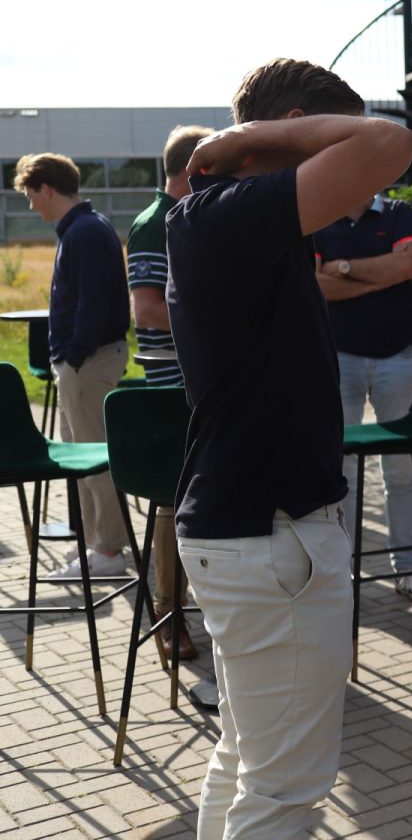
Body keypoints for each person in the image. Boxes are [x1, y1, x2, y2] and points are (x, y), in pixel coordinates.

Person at [167, 58, 412, 838]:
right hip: (269, 534)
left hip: (251, 532)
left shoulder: (228, 218)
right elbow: (388, 143)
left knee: (248, 763)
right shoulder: (229, 211)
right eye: (321, 134)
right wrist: (263, 134)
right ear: (297, 123)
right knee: (284, 794)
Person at [14, 152, 131, 579]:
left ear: (46, 188)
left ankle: (108, 552)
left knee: (93, 458)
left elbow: (93, 306)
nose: (31, 205)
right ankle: (99, 547)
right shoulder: (84, 227)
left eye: (30, 195)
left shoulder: (84, 231)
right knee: (83, 457)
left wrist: (74, 355)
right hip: (85, 361)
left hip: (89, 362)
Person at [313, 191, 412, 603]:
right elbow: (317, 286)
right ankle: (339, 573)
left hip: (395, 358)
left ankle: (409, 567)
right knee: (339, 470)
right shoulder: (320, 216)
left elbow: (408, 264)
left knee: (400, 471)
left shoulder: (400, 213)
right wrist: (383, 274)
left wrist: (345, 269)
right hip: (338, 359)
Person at [127, 124, 211, 664]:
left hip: (198, 379)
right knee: (171, 499)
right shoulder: (154, 224)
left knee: (192, 497)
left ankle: (194, 602)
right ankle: (167, 612)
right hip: (170, 382)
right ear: (194, 170)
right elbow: (148, 310)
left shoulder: (185, 217)